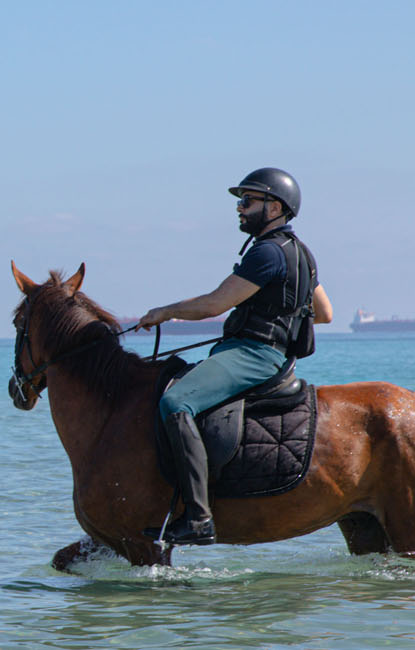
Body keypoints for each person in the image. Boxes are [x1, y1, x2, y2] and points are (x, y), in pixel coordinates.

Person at [135, 167, 334, 545]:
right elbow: (325, 313)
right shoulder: (302, 254)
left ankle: (198, 518)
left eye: (248, 201)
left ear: (274, 207)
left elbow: (215, 304)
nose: (240, 209)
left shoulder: (267, 253)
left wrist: (163, 311)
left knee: (176, 401)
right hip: (267, 353)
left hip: (254, 354)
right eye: (240, 202)